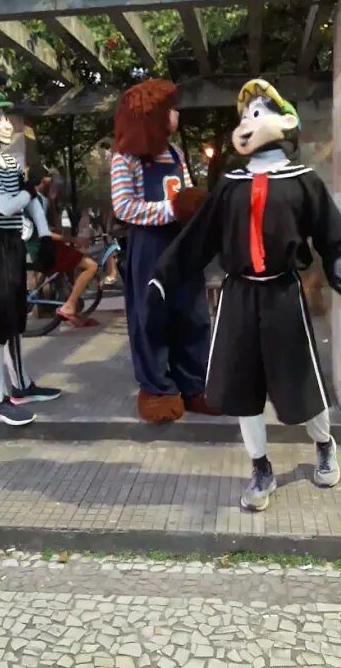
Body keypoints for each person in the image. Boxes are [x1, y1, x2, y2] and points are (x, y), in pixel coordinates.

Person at [146, 79, 341, 511]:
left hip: (282, 295)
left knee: (300, 381)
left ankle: (324, 444)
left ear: (283, 120)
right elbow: (198, 237)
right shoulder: (230, 185)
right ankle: (261, 467)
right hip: (237, 297)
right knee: (241, 387)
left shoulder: (302, 181)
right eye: (244, 115)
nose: (247, 122)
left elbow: (332, 234)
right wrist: (164, 276)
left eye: (257, 112)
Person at [109, 78, 218, 424]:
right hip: (149, 246)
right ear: (151, 115)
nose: (176, 114)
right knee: (151, 317)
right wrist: (172, 209)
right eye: (169, 109)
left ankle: (193, 385)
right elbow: (123, 207)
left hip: (181, 244)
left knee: (193, 313)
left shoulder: (175, 153)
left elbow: (184, 193)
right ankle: (157, 388)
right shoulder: (124, 158)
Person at [0, 89, 62, 426]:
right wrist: (29, 189)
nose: (6, 124)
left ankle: (21, 387)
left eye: (6, 117)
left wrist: (44, 237)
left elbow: (30, 203)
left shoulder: (8, 161)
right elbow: (6, 205)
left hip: (12, 243)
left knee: (13, 321)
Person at [23, 165, 100, 328]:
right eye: (49, 177)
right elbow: (43, 232)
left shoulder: (36, 198)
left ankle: (74, 313)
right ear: (43, 179)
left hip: (43, 246)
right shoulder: (37, 200)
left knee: (69, 272)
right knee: (91, 266)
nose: (52, 181)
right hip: (44, 248)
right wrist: (73, 238)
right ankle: (69, 306)